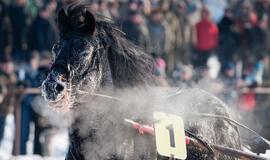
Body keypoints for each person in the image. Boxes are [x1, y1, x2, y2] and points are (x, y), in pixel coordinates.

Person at [0, 56, 17, 145]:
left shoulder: (14, 76)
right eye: (5, 65)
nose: (8, 67)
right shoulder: (1, 77)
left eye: (9, 65)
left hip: (10, 110)